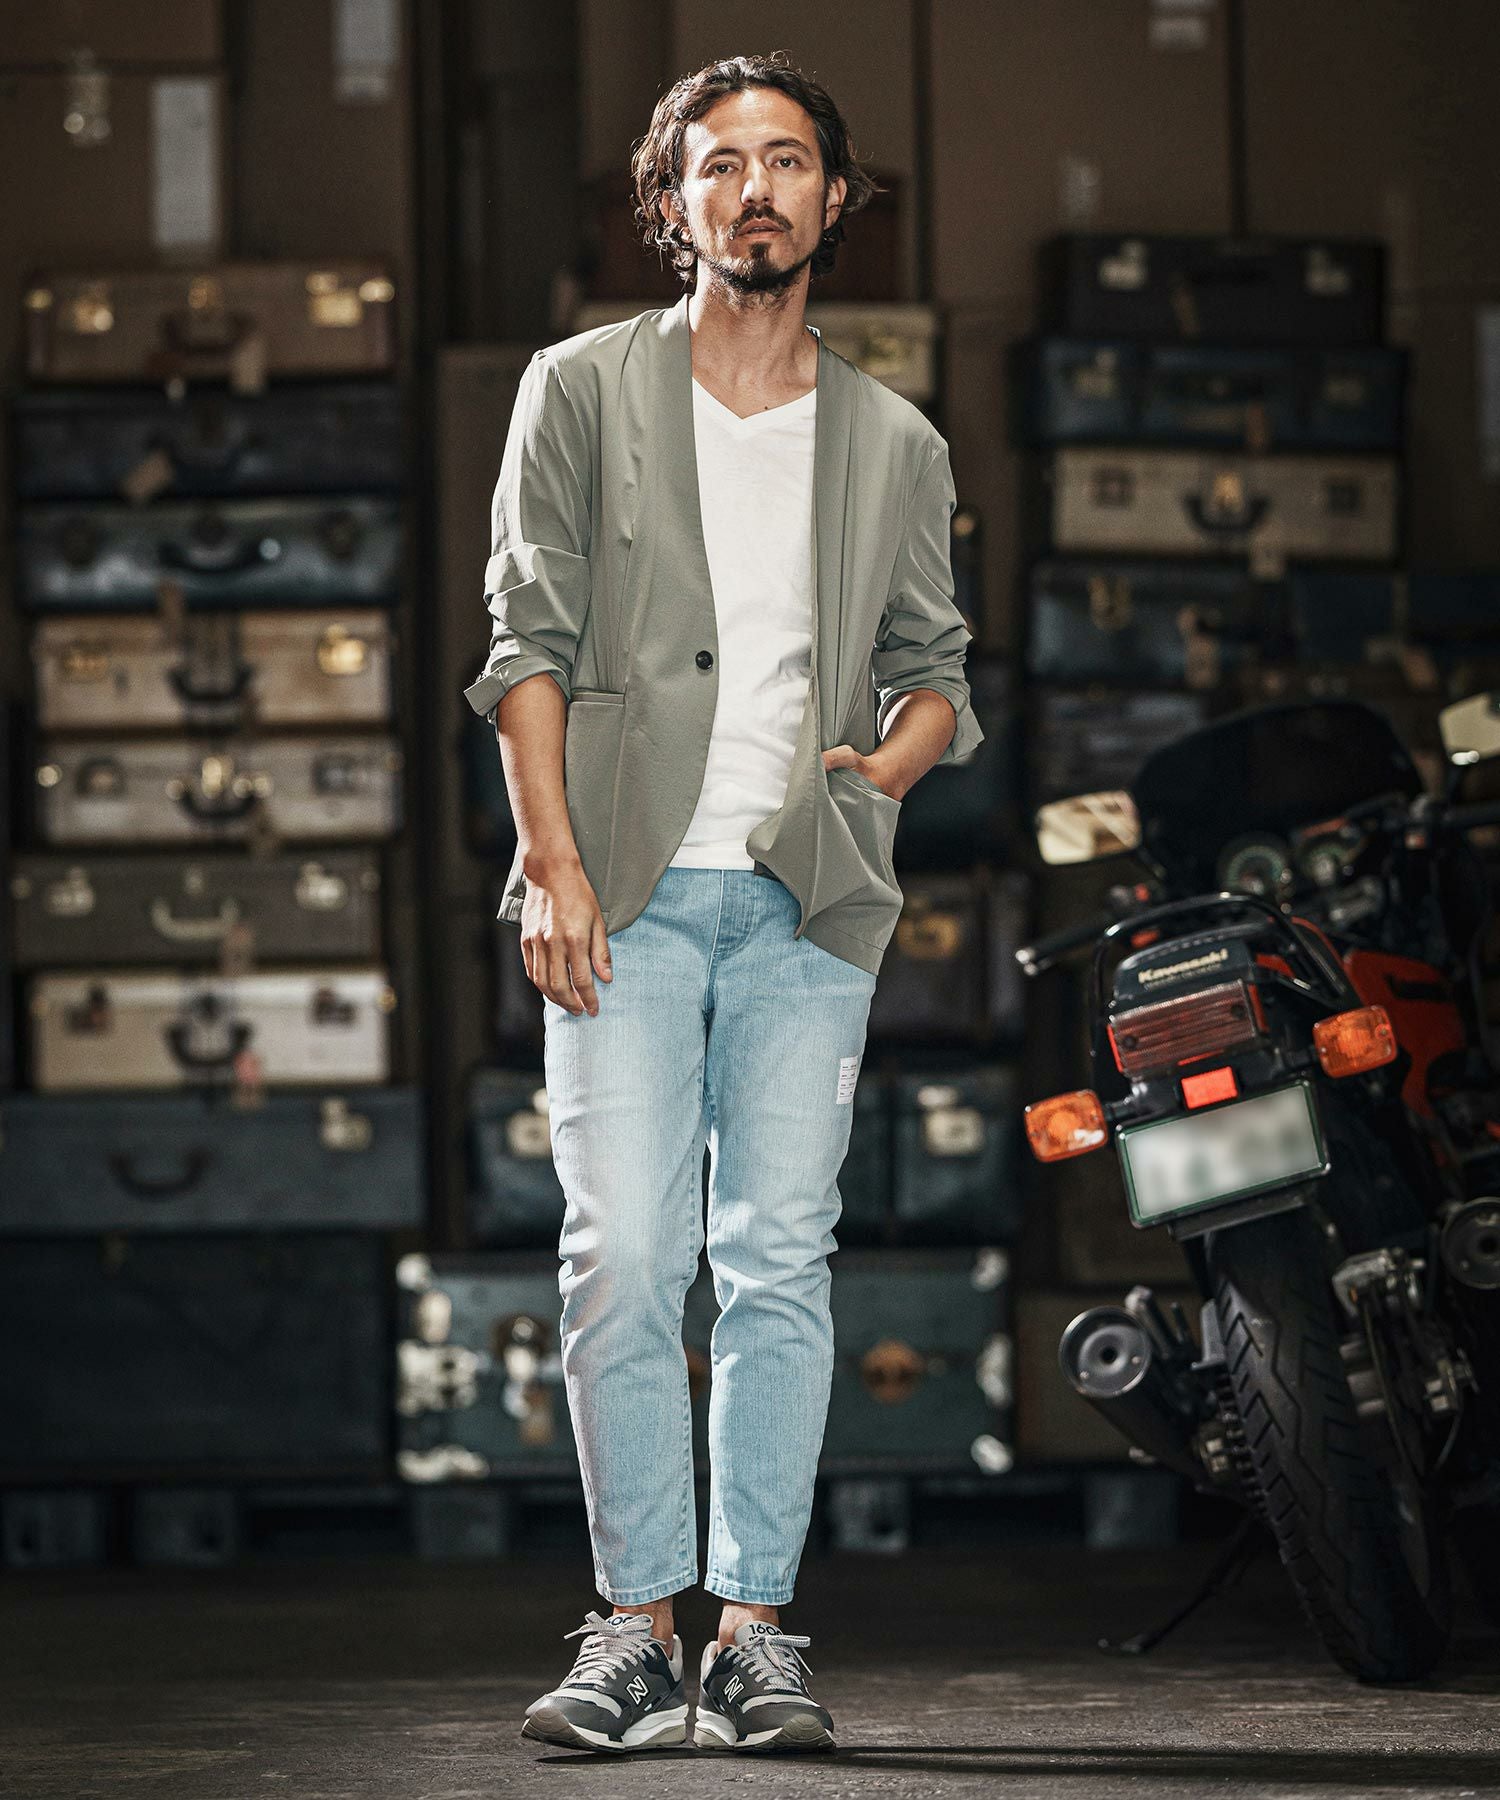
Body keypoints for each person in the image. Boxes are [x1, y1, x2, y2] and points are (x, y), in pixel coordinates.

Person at [463, 50, 983, 1755]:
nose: (755, 189)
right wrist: (552, 863)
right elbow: (523, 644)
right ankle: (631, 1628)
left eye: (788, 161)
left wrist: (881, 775)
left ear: (836, 198)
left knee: (777, 1262)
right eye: (720, 163)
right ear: (670, 202)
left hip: (802, 904)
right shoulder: (578, 388)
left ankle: (753, 1632)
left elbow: (935, 668)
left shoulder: (893, 438)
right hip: (619, 890)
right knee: (622, 1255)